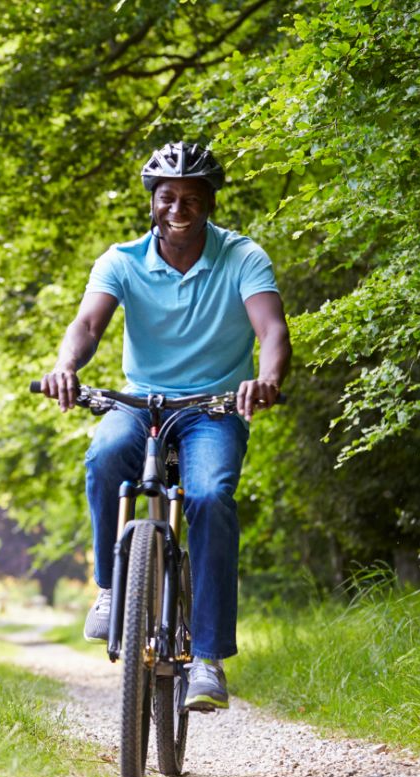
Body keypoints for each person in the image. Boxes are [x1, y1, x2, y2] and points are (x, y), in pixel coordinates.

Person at [39, 142, 291, 711]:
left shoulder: (243, 256)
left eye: (192, 198)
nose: (179, 207)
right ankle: (109, 588)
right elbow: (87, 324)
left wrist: (267, 379)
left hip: (215, 408)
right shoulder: (122, 260)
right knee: (105, 457)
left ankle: (207, 659)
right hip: (140, 404)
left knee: (210, 494)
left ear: (209, 204)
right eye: (168, 197)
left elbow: (272, 331)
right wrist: (65, 368)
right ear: (152, 202)